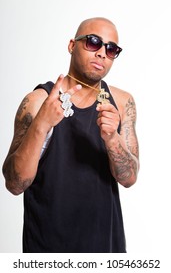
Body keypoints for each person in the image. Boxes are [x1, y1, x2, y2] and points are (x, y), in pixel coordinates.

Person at [2, 17, 139, 253]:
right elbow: (14, 184)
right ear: (71, 45)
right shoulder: (36, 102)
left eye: (111, 48)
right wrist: (41, 125)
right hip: (47, 252)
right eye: (93, 42)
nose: (102, 53)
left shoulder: (121, 102)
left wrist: (112, 139)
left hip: (105, 251)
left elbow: (129, 178)